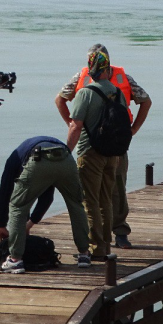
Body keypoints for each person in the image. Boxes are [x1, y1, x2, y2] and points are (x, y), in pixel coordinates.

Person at [55, 44, 151, 250]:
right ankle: (105, 241)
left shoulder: (123, 79)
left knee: (107, 193)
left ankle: (112, 236)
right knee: (107, 195)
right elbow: (60, 99)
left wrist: (133, 130)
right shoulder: (86, 80)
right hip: (112, 146)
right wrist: (72, 123)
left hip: (105, 146)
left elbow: (145, 101)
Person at [66, 47, 128, 260]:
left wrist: (67, 152)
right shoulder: (118, 93)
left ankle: (96, 248)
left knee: (90, 201)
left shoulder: (85, 93)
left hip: (90, 153)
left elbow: (75, 126)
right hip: (113, 154)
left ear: (91, 69)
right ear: (108, 69)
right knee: (106, 200)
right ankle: (107, 246)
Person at [0, 136, 92, 274]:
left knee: (17, 206)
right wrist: (29, 224)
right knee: (76, 204)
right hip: (65, 157)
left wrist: (1, 225)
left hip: (39, 158)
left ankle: (15, 260)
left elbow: (5, 192)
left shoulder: (13, 159)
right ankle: (84, 254)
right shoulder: (25, 151)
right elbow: (47, 198)